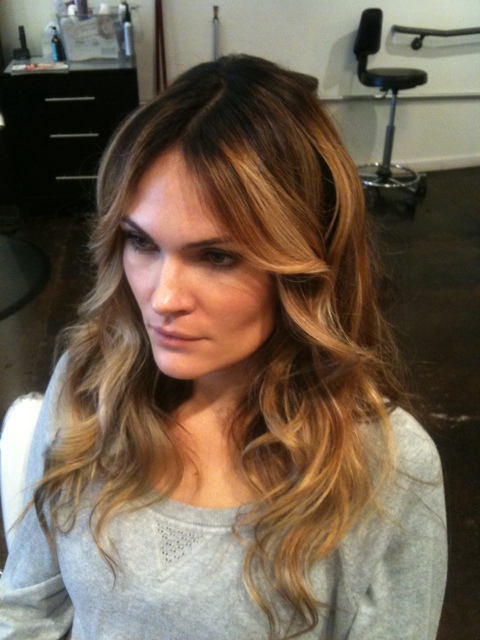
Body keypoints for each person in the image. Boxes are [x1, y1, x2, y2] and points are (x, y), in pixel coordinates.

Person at [0, 54, 447, 639]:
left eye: (216, 256)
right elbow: (26, 611)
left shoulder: (387, 469)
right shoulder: (90, 385)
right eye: (141, 242)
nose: (163, 298)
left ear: (306, 263)